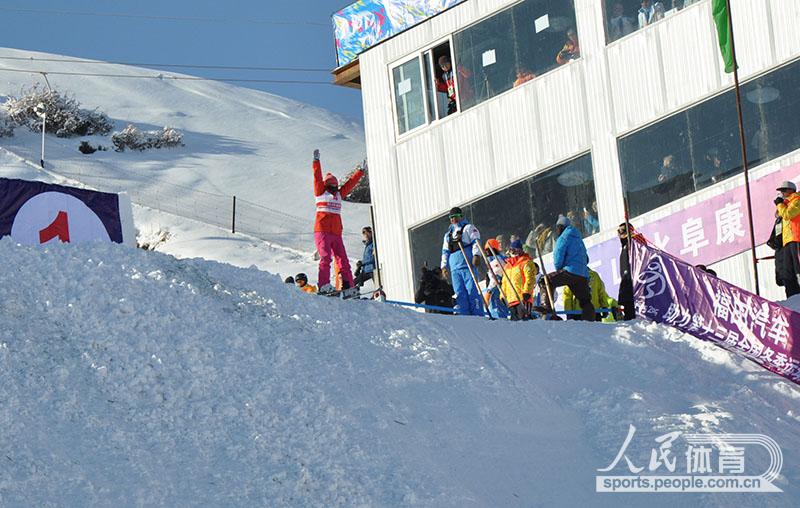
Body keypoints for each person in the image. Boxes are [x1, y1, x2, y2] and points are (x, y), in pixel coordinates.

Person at [311, 149, 364, 295]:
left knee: (343, 260)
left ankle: (348, 286)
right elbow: (316, 177)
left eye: (335, 186)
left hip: (336, 233)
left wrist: (360, 171)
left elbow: (350, 183)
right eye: (332, 186)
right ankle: (323, 285)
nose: (335, 189)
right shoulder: (320, 192)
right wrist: (316, 161)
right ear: (327, 185)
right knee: (326, 258)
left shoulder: (339, 194)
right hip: (322, 231)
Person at [545, 216, 595, 321]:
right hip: (583, 275)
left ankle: (547, 309)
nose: (557, 230)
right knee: (585, 300)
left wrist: (559, 269)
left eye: (558, 227)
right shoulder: (578, 238)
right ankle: (590, 320)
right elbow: (586, 258)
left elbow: (558, 255)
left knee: (546, 280)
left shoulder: (563, 237)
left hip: (570, 272)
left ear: (561, 227)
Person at [441, 206, 484, 316]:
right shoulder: (448, 234)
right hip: (455, 268)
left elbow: (476, 241)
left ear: (460, 216)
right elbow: (445, 251)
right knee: (459, 293)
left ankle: (477, 313)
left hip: (467, 264)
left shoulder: (468, 228)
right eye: (451, 217)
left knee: (472, 290)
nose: (453, 219)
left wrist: (476, 255)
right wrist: (444, 266)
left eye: (455, 217)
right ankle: (465, 315)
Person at [502, 239, 537, 321]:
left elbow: (530, 278)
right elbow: (504, 282)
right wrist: (502, 295)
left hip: (522, 299)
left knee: (524, 322)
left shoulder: (526, 262)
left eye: (515, 249)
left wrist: (527, 292)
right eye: (512, 250)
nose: (513, 252)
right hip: (511, 300)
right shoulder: (507, 266)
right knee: (515, 325)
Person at [775, 180, 800, 297]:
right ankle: (793, 295)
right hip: (787, 241)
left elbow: (788, 215)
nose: (782, 193)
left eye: (784, 190)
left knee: (798, 267)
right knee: (788, 270)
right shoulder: (786, 204)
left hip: (797, 239)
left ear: (791, 190)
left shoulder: (797, 201)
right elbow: (778, 215)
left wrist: (780, 204)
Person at [482, 239, 510, 319]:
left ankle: (500, 321)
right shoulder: (498, 259)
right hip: (501, 287)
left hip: (498, 288)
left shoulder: (496, 260)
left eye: (487, 250)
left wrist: (488, 291)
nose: (486, 253)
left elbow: (496, 278)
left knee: (497, 308)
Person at [617, 222, 636, 320]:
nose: (620, 233)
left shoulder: (634, 245)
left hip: (634, 289)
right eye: (619, 231)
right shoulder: (624, 248)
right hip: (626, 288)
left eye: (623, 230)